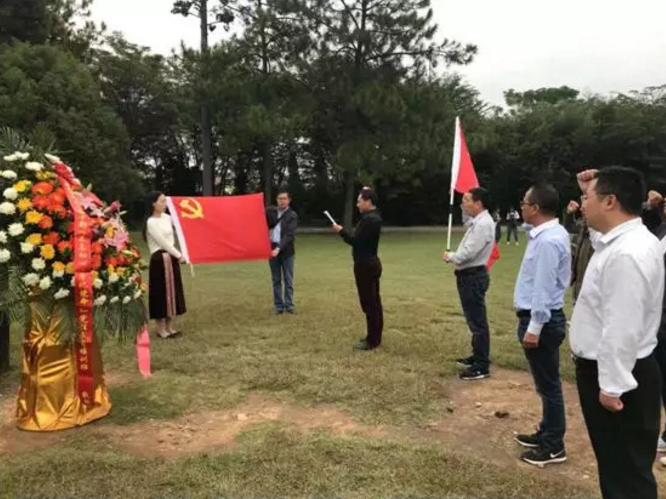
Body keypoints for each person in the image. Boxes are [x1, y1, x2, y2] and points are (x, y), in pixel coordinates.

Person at [570, 167, 664, 499]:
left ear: (609, 201)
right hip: (624, 370)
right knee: (619, 467)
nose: (582, 204)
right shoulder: (628, 240)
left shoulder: (627, 254)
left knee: (626, 475)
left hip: (619, 377)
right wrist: (587, 188)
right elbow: (601, 239)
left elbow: (622, 325)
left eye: (587, 198)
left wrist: (612, 385)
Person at [513, 184, 571, 467]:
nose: (521, 206)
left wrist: (534, 326)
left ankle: (553, 445)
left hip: (542, 321)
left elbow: (544, 287)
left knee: (549, 386)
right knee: (545, 383)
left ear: (535, 208)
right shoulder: (548, 234)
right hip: (543, 319)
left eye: (525, 202)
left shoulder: (548, 241)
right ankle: (547, 431)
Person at [443, 187, 496, 380]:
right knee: (474, 319)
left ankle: (481, 365)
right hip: (469, 276)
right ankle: (478, 355)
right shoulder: (479, 222)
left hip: (473, 276)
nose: (462, 203)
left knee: (477, 321)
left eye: (466, 200)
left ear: (478, 203)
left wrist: (451, 256)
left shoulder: (483, 224)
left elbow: (468, 253)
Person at [332, 187, 383, 351]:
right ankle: (374, 336)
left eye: (359, 201)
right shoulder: (372, 218)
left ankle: (372, 340)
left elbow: (355, 241)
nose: (357, 204)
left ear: (368, 201)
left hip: (366, 265)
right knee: (373, 302)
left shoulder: (370, 220)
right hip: (369, 263)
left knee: (369, 303)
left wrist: (341, 232)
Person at [143, 192, 187, 339]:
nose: (165, 204)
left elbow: (180, 229)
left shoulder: (168, 218)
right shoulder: (151, 222)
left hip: (171, 259)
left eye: (165, 201)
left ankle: (169, 327)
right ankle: (161, 329)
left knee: (172, 292)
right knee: (160, 293)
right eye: (161, 201)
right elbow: (162, 242)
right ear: (153, 204)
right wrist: (179, 255)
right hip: (159, 259)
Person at [266, 188, 298, 315]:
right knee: (276, 279)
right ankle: (278, 306)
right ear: (276, 200)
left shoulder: (292, 215)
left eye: (284, 199)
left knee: (288, 279)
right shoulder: (270, 211)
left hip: (286, 251)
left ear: (289, 200)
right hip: (272, 249)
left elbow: (289, 235)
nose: (282, 201)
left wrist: (278, 248)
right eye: (280, 198)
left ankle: (289, 305)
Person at [563, 199, 594, 304]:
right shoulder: (583, 224)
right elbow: (570, 227)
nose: (581, 207)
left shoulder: (602, 230)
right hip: (579, 287)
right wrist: (569, 214)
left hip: (591, 290)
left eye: (586, 199)